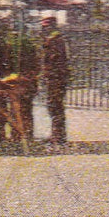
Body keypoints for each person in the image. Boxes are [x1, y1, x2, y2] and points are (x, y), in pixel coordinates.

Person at [40, 16, 70, 148]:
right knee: (53, 106)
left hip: (56, 77)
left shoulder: (56, 41)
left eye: (46, 27)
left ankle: (59, 135)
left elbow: (54, 60)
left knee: (55, 105)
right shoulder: (53, 40)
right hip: (53, 77)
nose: (44, 29)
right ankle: (56, 134)